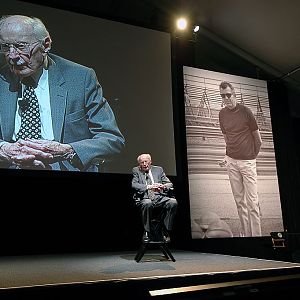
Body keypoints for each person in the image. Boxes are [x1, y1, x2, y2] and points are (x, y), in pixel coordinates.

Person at [0, 15, 125, 171]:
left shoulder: (81, 78)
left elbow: (111, 139)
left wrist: (68, 151)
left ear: (45, 45)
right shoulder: (1, 79)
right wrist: (3, 149)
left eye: (21, 46)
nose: (12, 56)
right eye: (5, 47)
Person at [218, 81, 262, 237]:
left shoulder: (246, 111)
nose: (226, 98)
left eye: (228, 95)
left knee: (252, 203)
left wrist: (251, 156)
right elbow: (226, 138)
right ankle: (245, 235)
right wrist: (226, 155)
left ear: (234, 93)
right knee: (239, 202)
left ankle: (256, 236)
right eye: (223, 96)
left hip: (247, 162)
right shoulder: (221, 114)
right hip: (232, 162)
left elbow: (258, 139)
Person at [132, 153, 177, 242]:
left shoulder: (158, 170)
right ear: (139, 164)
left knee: (173, 202)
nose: (144, 164)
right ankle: (147, 231)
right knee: (147, 203)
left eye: (146, 161)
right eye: (142, 162)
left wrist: (162, 186)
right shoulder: (136, 170)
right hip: (145, 197)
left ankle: (165, 229)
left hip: (159, 197)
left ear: (150, 161)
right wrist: (149, 187)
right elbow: (134, 184)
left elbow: (169, 183)